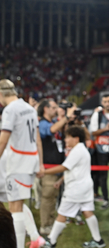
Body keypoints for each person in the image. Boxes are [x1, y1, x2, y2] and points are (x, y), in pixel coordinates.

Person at [0, 79, 45, 248]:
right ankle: (34, 238)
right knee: (18, 203)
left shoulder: (10, 110)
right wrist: (40, 163)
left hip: (18, 162)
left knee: (14, 207)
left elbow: (3, 141)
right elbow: (38, 138)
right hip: (30, 160)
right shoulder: (29, 108)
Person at [43, 126, 105, 248]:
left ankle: (51, 241)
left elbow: (64, 167)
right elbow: (73, 168)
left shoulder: (77, 151)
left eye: (68, 137)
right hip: (84, 187)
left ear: (76, 139)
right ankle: (98, 241)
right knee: (87, 211)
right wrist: (61, 180)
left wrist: (43, 172)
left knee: (62, 213)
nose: (65, 140)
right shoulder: (81, 149)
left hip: (76, 189)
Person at [37, 99, 76, 235]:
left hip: (55, 168)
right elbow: (52, 130)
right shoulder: (42, 124)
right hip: (48, 169)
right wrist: (66, 117)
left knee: (53, 198)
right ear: (46, 109)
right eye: (53, 107)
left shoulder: (52, 123)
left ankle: (51, 221)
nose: (56, 109)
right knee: (47, 198)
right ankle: (45, 225)